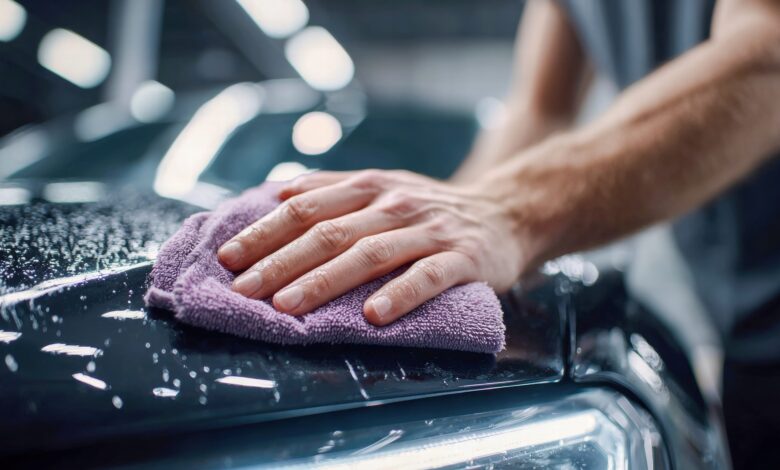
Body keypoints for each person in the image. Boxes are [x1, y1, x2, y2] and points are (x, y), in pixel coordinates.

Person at [216, 1, 780, 467]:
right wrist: (424, 245)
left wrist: (510, 212)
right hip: (744, 334)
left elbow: (768, 54)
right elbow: (538, 111)